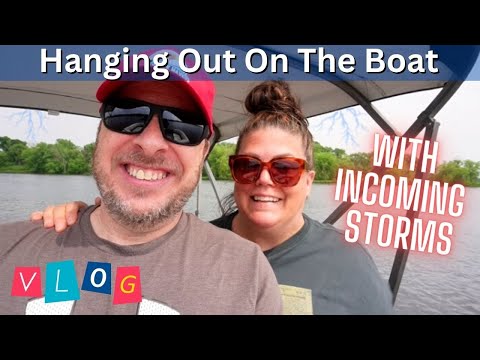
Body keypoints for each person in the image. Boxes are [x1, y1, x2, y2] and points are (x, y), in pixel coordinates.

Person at [32, 80, 394, 315]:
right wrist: (81, 228)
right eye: (249, 166)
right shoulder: (195, 250)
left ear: (309, 178)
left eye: (285, 168)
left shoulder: (348, 263)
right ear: (234, 173)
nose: (265, 181)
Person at [0, 48, 283, 315]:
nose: (150, 143)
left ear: (204, 151)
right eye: (127, 115)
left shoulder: (248, 273)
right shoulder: (8, 248)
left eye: (182, 126)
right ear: (100, 132)